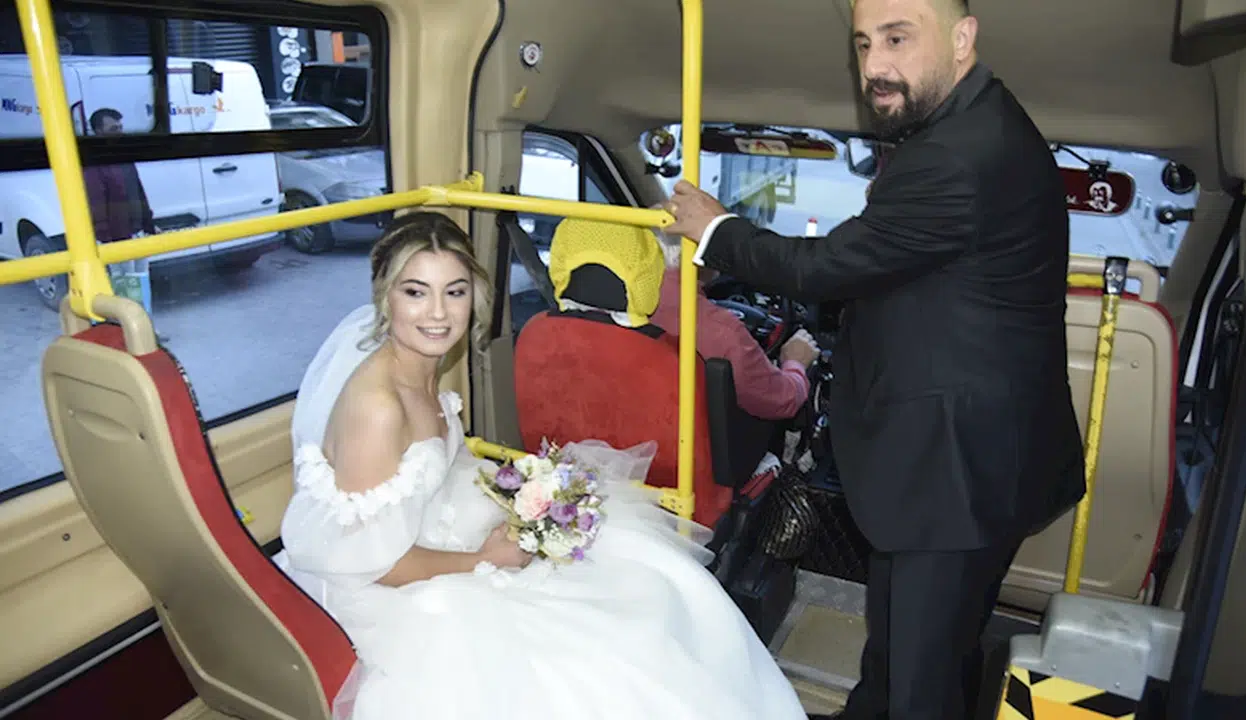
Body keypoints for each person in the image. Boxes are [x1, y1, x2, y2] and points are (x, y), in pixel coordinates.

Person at [664, 0, 1085, 718]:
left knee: (921, 677)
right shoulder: (967, 125)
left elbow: (827, 266)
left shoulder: (959, 152)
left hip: (955, 475)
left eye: (897, 39)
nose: (875, 66)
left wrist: (717, 229)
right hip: (969, 462)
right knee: (911, 650)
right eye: (863, 44)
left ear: (962, 38)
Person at [275, 210, 808, 720]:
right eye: (416, 292)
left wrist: (522, 502)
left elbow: (432, 476)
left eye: (454, 292)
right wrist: (487, 558)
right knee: (592, 662)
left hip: (435, 533)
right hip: (390, 586)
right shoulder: (377, 409)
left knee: (649, 573)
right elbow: (372, 562)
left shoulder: (422, 364)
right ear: (385, 296)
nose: (437, 314)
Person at [649, 230, 821, 420]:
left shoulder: (630, 300)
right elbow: (782, 401)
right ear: (698, 250)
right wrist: (796, 363)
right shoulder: (722, 331)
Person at [84, 107, 165, 339]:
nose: (119, 132)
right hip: (117, 238)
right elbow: (96, 202)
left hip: (137, 232)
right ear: (98, 131)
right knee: (125, 289)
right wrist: (107, 240)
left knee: (142, 284)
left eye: (120, 127)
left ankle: (147, 330)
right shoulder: (93, 163)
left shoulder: (122, 155)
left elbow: (138, 191)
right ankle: (130, 335)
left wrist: (149, 224)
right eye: (113, 129)